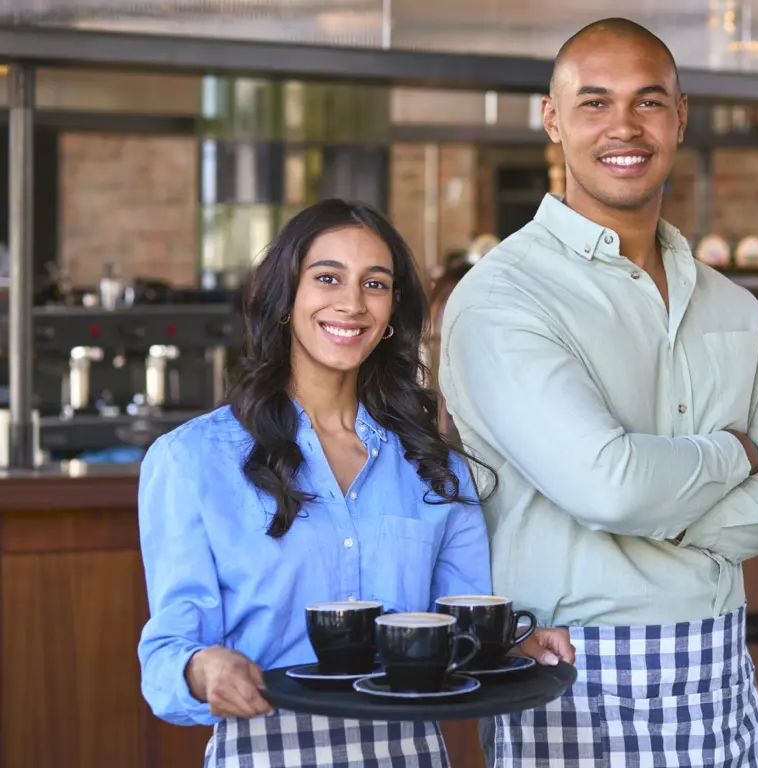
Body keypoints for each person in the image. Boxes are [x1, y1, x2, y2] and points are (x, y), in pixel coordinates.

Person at [439, 17, 758, 767]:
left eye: (648, 101)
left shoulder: (734, 306)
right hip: (570, 672)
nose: (624, 127)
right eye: (594, 102)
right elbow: (610, 488)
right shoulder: (504, 298)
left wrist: (665, 523)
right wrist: (731, 456)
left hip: (721, 665)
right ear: (552, 119)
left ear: (680, 117)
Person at [136, 199, 571, 767]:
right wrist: (203, 670)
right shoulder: (191, 461)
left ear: (391, 312)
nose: (351, 302)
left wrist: (511, 648)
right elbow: (169, 652)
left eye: (375, 283)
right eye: (327, 278)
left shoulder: (435, 468)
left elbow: (453, 632)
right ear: (285, 298)